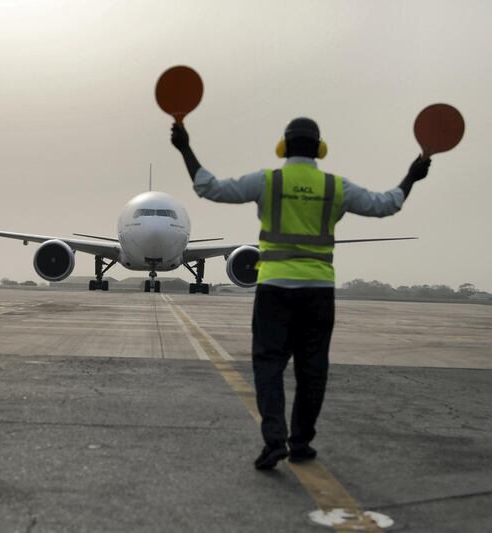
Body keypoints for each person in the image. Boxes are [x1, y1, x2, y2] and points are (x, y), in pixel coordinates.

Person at [170, 117, 430, 469]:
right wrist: (413, 173)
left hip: (275, 289)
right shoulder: (335, 187)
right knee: (312, 370)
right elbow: (387, 204)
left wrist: (185, 147)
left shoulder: (269, 181)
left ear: (283, 147)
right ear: (320, 148)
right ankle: (301, 443)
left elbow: (209, 188)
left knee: (269, 366)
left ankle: (274, 440)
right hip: (318, 291)